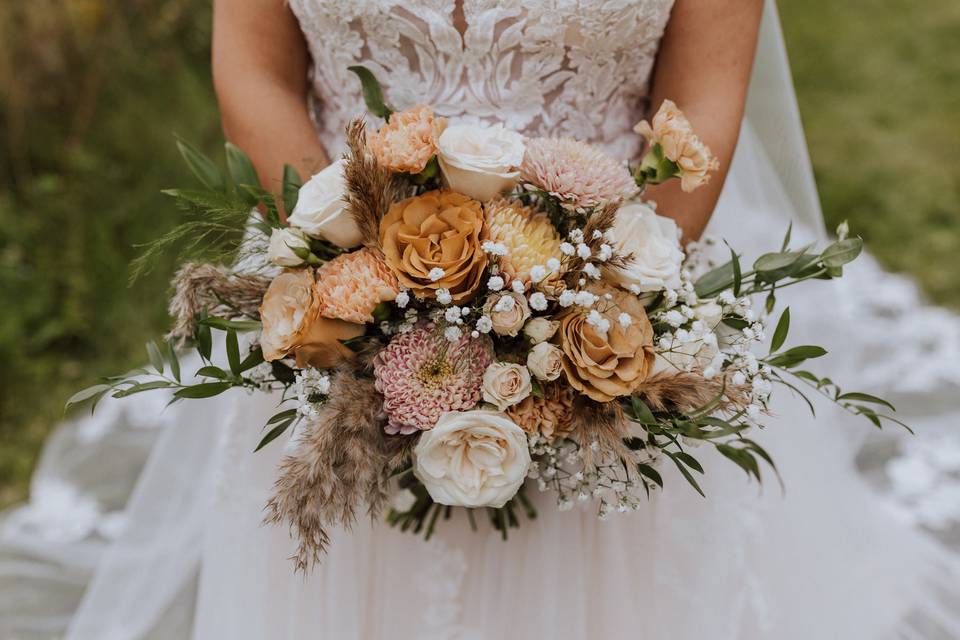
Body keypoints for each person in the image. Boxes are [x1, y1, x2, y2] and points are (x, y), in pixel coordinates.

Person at [2, 1, 959, 638]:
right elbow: (253, 72)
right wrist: (356, 284)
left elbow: (702, 98)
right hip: (343, 316)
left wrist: (594, 314)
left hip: (603, 311)